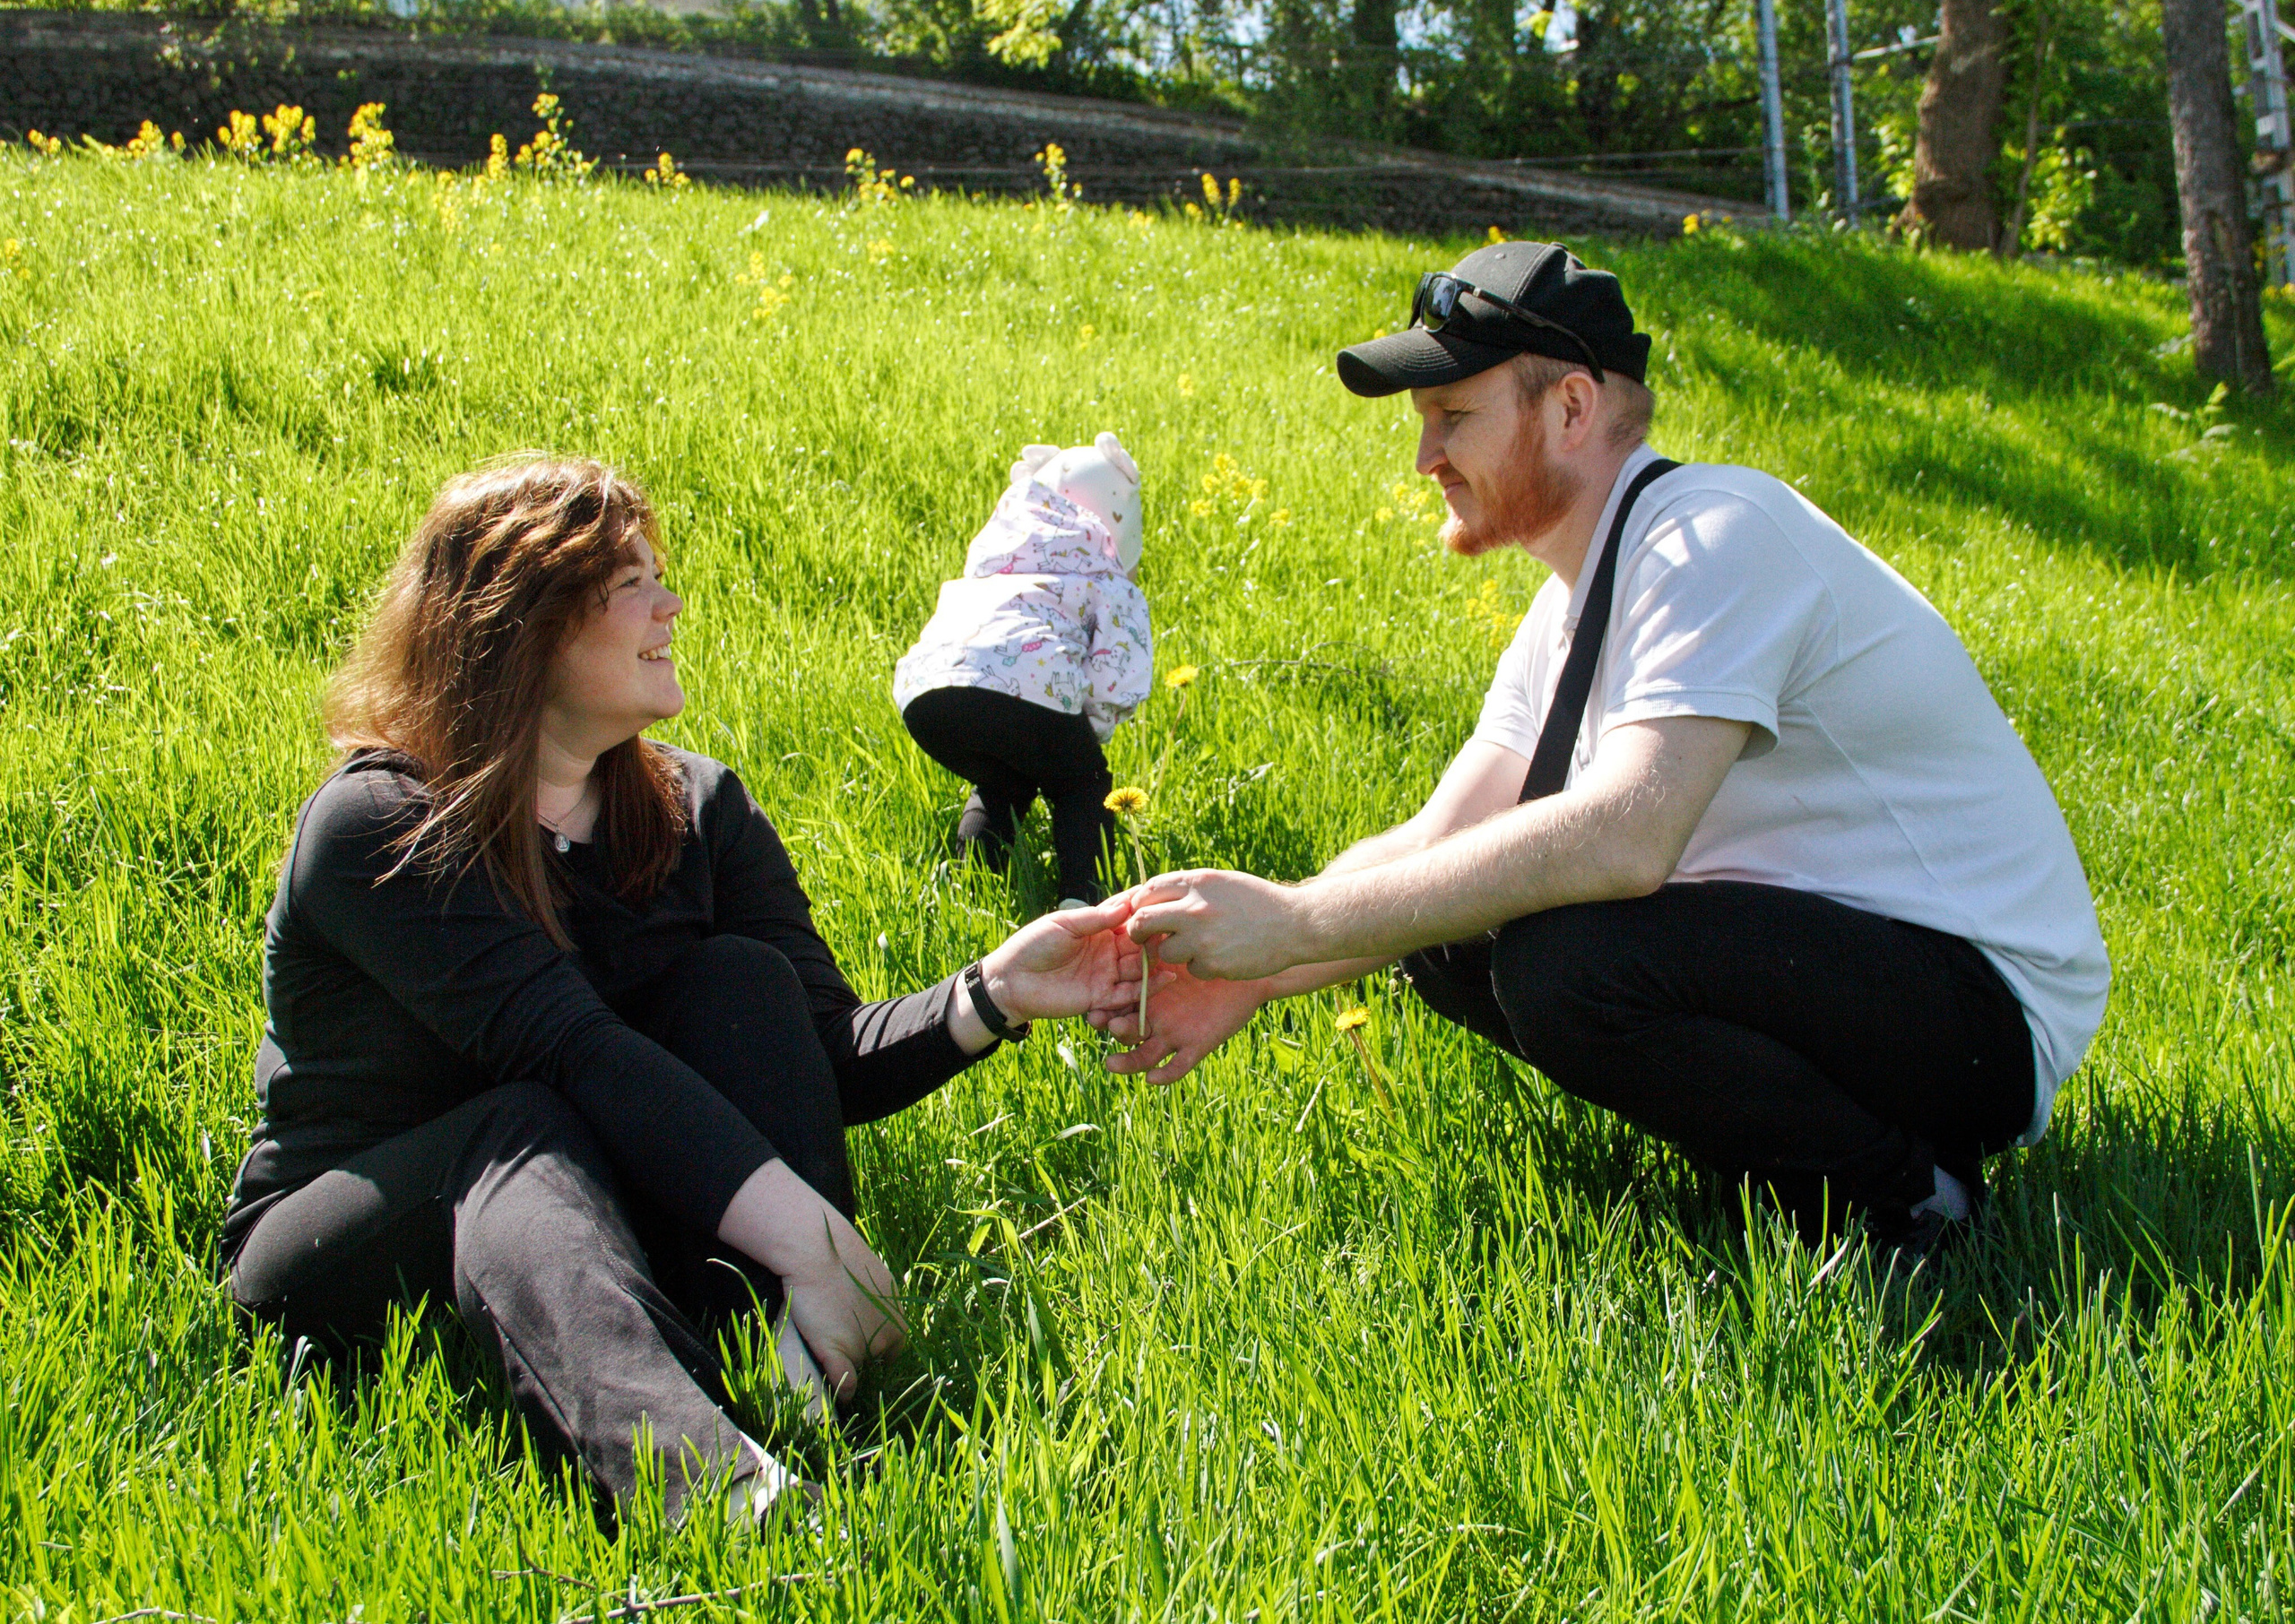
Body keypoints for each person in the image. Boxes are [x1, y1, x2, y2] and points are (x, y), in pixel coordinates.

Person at [1108, 240, 2110, 1247]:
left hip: (1985, 1013)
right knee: (1446, 929)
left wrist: (1299, 922)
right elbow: (1440, 839)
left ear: (1572, 409)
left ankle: (1905, 1199)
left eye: (1453, 416)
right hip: (1839, 975)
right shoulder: (1570, 606)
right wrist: (1251, 966)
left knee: (1566, 959)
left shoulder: (1715, 534)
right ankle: (1796, 1161)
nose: (1424, 459)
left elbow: (1626, 841)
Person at [222, 455, 1147, 1525]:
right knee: (522, 1120)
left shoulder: (695, 805)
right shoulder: (381, 822)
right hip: (358, 1235)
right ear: (519, 621)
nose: (671, 606)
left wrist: (995, 993)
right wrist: (810, 1237)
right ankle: (718, 1496)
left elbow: (817, 1052)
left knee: (738, 982)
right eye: (629, 584)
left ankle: (796, 1374)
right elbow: (572, 1052)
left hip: (599, 1208)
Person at [895, 432, 1151, 909]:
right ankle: (1083, 905)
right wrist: (1087, 732)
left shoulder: (998, 559)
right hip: (1029, 692)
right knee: (1081, 783)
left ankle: (969, 892)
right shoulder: (1103, 577)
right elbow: (1118, 674)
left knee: (1005, 781)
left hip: (927, 697)